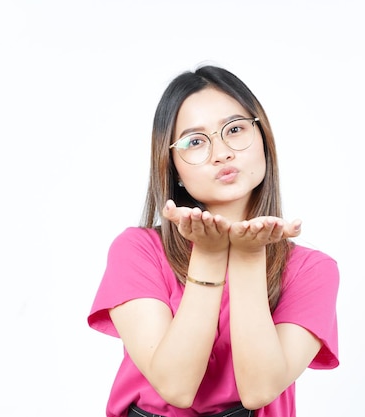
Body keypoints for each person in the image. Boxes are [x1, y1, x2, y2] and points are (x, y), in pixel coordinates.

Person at [87, 65, 339, 417]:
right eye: (195, 141)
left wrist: (250, 257)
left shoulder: (312, 270)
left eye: (234, 129)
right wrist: (208, 253)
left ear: (263, 138)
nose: (221, 153)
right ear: (173, 166)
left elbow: (259, 391)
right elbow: (176, 386)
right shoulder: (138, 250)